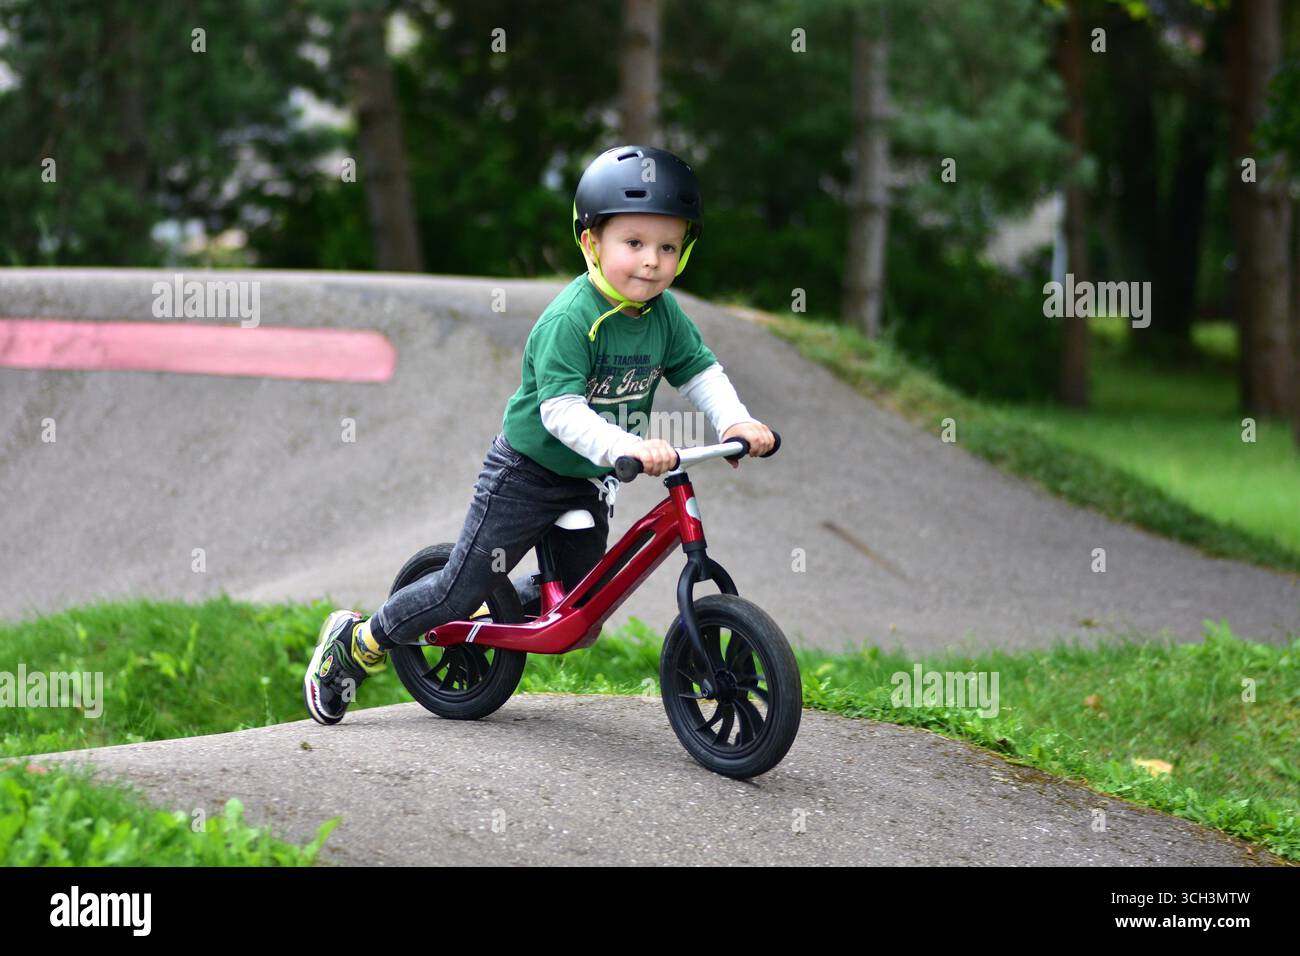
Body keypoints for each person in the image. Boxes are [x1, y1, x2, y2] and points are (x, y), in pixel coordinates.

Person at [303, 144, 776, 725]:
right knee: (455, 592)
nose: (652, 262)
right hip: (526, 473)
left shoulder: (664, 314)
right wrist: (625, 447)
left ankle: (499, 609)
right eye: (634, 244)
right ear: (591, 243)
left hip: (591, 477)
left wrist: (735, 421)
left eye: (668, 247)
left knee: (580, 611)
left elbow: (700, 371)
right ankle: (357, 643)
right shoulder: (570, 319)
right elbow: (561, 413)